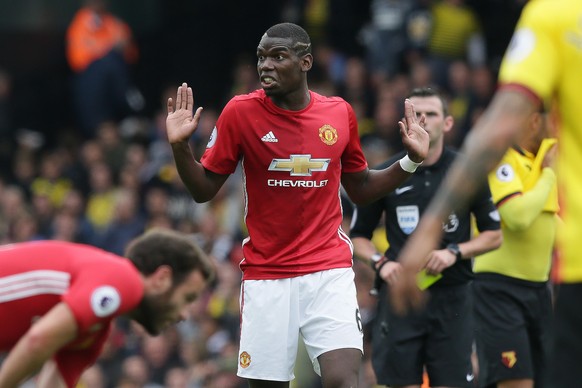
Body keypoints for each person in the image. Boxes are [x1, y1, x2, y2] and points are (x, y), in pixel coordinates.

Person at [165, 22, 429, 388]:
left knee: (344, 380)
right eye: (261, 57)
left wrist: (409, 162)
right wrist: (180, 147)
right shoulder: (240, 113)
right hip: (268, 276)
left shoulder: (339, 114)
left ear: (305, 63)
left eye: (278, 56)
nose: (265, 66)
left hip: (329, 270)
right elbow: (203, 189)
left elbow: (362, 186)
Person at [389, 1, 582, 387]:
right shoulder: (516, 162)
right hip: (503, 289)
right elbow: (515, 217)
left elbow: (498, 125)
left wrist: (429, 229)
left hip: (554, 281)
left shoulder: (557, 15)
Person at [350, 87, 502, 388]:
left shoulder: (466, 172)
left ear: (447, 123)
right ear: (405, 122)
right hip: (401, 297)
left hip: (453, 298)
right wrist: (381, 263)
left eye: (431, 114)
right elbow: (356, 237)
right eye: (416, 113)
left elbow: (494, 236)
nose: (423, 119)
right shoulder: (386, 172)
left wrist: (454, 252)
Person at [0, 228, 214, 387]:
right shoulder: (123, 279)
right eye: (187, 297)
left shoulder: (96, 331)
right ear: (162, 279)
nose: (185, 314)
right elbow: (39, 340)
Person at [472, 110, 557, 387]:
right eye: (552, 118)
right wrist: (549, 176)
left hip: (539, 290)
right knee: (516, 381)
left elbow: (552, 221)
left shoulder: (539, 165)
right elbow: (517, 217)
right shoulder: (503, 158)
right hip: (500, 290)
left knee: (549, 378)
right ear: (534, 120)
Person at [66, 0, 143, 138]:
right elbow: (77, 60)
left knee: (114, 61)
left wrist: (115, 47)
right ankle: (126, 107)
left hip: (114, 85)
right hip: (91, 85)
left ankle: (128, 110)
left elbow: (132, 54)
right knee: (109, 60)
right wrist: (109, 48)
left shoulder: (115, 24)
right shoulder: (79, 24)